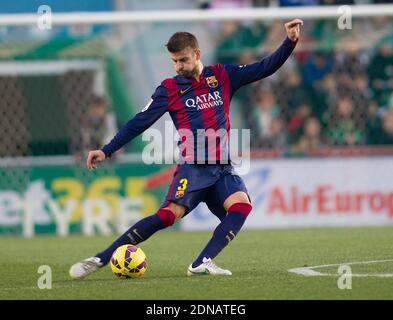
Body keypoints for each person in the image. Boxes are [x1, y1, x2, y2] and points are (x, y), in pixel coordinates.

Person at [69, 19, 303, 278]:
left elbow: (264, 67)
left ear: (197, 54)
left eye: (183, 60)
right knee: (169, 216)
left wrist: (290, 41)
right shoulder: (170, 89)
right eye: (174, 62)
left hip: (223, 166)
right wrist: (107, 150)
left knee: (242, 206)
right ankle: (101, 258)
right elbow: (139, 121)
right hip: (194, 167)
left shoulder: (222, 76)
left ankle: (201, 262)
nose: (178, 67)